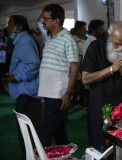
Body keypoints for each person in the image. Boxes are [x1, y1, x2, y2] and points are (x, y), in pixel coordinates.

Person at [81, 21, 122, 152]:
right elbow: (85, 79)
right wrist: (112, 69)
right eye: (117, 43)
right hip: (100, 107)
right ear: (109, 36)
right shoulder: (95, 47)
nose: (120, 48)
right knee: (100, 148)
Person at [37, 3, 79, 147]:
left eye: (46, 18)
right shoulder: (49, 38)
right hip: (49, 94)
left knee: (45, 132)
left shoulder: (67, 39)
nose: (43, 21)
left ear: (56, 21)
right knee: (59, 132)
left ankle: (40, 156)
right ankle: (65, 155)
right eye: (43, 18)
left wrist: (68, 92)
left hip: (58, 95)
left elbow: (74, 68)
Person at [3, 15, 41, 159]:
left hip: (28, 94)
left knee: (27, 132)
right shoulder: (21, 41)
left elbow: (34, 64)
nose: (7, 27)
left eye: (10, 24)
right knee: (26, 131)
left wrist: (17, 77)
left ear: (18, 27)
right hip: (25, 92)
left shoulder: (24, 41)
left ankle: (29, 156)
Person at [72, 21, 87, 107]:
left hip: (81, 72)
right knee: (74, 92)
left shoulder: (82, 41)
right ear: (78, 30)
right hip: (77, 73)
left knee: (80, 92)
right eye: (84, 29)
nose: (85, 30)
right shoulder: (74, 42)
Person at [0, 29, 7, 94]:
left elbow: (5, 48)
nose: (1, 35)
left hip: (3, 61)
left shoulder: (4, 41)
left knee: (2, 75)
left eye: (2, 34)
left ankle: (2, 89)